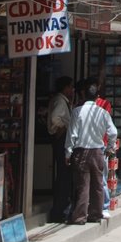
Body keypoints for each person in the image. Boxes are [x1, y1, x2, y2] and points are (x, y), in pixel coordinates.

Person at [65, 79, 117, 224]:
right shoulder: (103, 113)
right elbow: (113, 132)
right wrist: (109, 148)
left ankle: (80, 216)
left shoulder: (77, 112)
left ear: (83, 95)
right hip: (98, 152)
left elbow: (72, 134)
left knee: (83, 185)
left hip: (81, 152)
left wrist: (68, 152)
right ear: (97, 97)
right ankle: (96, 214)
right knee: (98, 185)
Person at [47, 75, 74, 222]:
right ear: (65, 88)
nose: (72, 90)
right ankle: (59, 210)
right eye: (70, 87)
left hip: (61, 140)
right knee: (64, 175)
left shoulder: (63, 101)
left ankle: (61, 208)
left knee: (64, 175)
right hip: (61, 140)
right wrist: (62, 128)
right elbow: (55, 119)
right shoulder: (60, 101)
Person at [96, 87, 114, 219]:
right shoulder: (105, 106)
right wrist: (110, 147)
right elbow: (112, 132)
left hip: (84, 148)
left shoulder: (78, 109)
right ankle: (104, 207)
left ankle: (101, 206)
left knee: (85, 180)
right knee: (102, 177)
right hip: (101, 145)